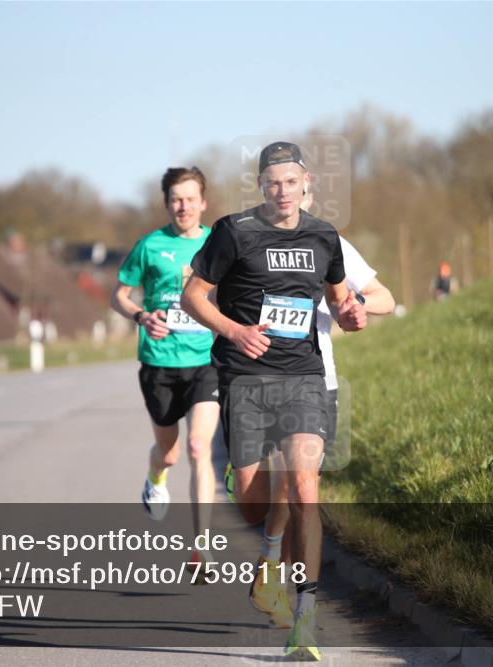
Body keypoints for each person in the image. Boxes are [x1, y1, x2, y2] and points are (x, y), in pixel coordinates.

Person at [182, 141, 367, 660]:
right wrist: (234, 331)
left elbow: (340, 303)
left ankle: (304, 620)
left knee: (306, 487)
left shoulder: (323, 236)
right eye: (273, 183)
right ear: (261, 185)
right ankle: (254, 522)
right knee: (254, 502)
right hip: (244, 378)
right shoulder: (234, 231)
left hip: (303, 377)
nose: (283, 191)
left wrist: (353, 316)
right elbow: (192, 296)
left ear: (307, 182)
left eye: (291, 181)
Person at [110, 166, 219, 566]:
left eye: (190, 199)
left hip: (206, 360)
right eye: (176, 199)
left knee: (198, 447)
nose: (183, 206)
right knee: (170, 454)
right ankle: (156, 475)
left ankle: (202, 546)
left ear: (203, 203)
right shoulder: (150, 246)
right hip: (159, 363)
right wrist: (141, 316)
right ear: (167, 204)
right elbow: (119, 295)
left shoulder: (218, 243)